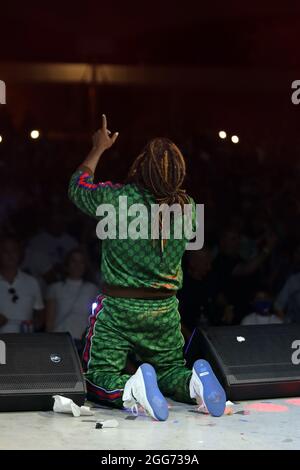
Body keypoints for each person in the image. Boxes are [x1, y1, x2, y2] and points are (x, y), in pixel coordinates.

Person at [68, 114, 226, 421]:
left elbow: (78, 187)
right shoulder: (188, 208)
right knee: (170, 371)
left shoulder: (115, 199)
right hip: (164, 311)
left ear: (140, 167)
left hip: (118, 311)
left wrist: (98, 148)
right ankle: (192, 384)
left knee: (97, 376)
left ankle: (132, 388)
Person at [45, 248, 98, 348]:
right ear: (67, 265)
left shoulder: (93, 289)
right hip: (60, 340)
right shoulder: (55, 288)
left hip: (83, 342)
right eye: (73, 261)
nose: (77, 265)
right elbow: (49, 322)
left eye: (81, 262)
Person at [0, 236, 44, 333]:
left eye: (14, 251)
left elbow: (40, 312)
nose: (10, 255)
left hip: (25, 342)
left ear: (20, 253)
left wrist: (36, 322)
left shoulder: (32, 282)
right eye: (5, 251)